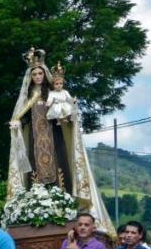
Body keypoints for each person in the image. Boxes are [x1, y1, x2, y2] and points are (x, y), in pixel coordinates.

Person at [7, 49, 113, 235]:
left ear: (45, 74)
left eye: (40, 73)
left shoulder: (53, 93)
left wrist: (69, 111)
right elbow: (22, 118)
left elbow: (67, 111)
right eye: (34, 74)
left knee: (60, 169)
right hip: (35, 142)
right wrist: (16, 123)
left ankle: (63, 208)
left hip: (54, 140)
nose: (38, 76)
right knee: (35, 173)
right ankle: (36, 210)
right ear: (30, 77)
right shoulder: (27, 96)